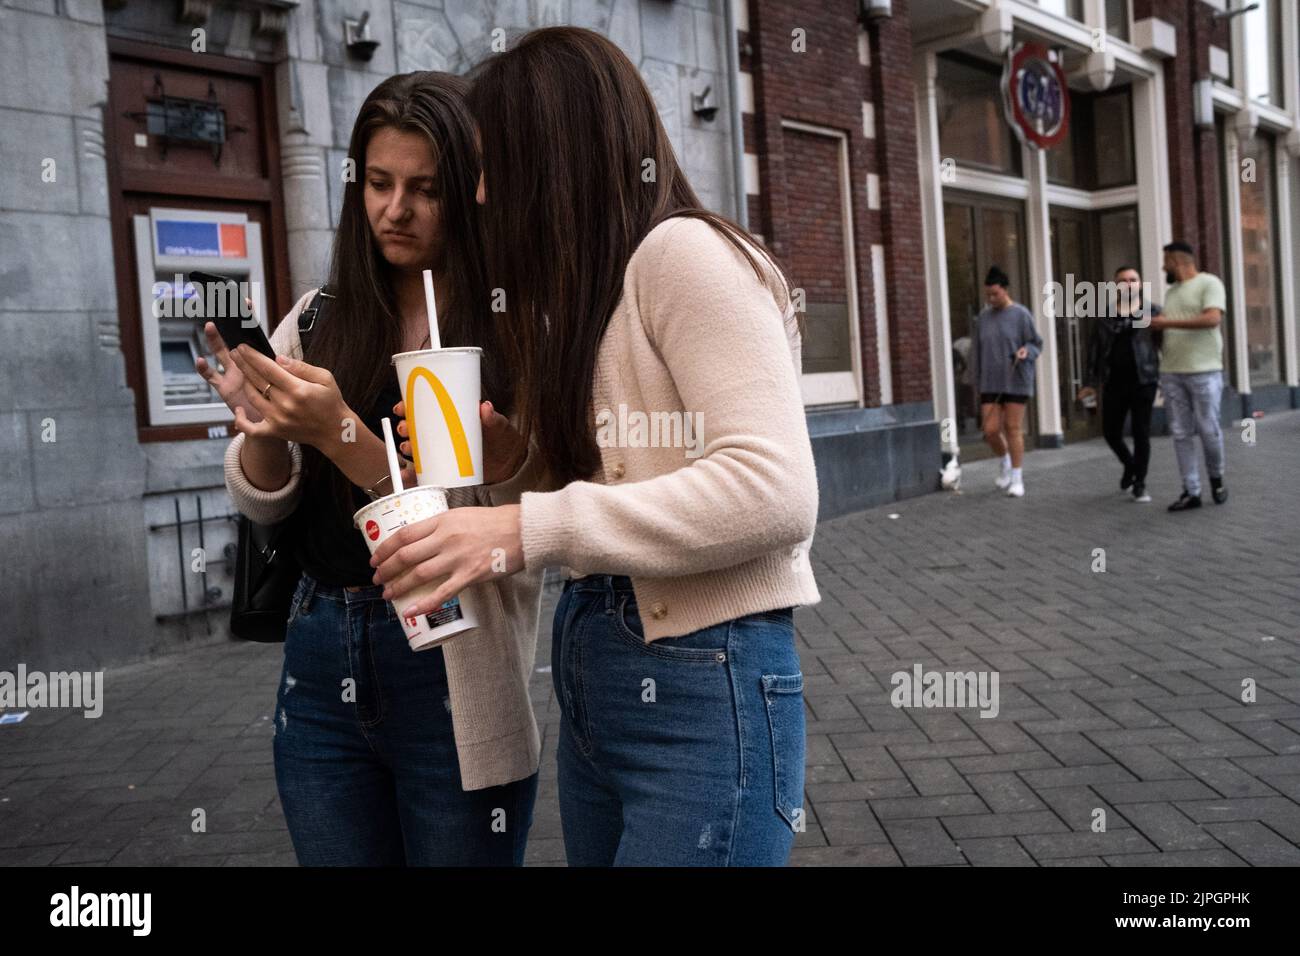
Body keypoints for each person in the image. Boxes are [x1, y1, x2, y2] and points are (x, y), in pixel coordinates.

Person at [371, 27, 820, 866]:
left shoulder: (684, 254)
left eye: (490, 162)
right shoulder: (596, 292)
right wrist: (512, 460)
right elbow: (628, 480)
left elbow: (775, 490)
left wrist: (515, 529)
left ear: (554, 156)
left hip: (701, 670)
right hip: (599, 663)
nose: (477, 193)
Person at [198, 73, 542, 865]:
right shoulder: (321, 313)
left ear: (467, 193)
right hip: (321, 646)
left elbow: (482, 513)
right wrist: (261, 424)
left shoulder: (511, 323)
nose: (396, 209)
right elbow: (265, 500)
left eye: (425, 189)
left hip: (451, 657)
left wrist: (342, 432)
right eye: (378, 184)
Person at [1150, 241, 1228, 511]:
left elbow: (1212, 319)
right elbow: (1167, 330)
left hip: (1204, 371)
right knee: (1181, 433)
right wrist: (1156, 332)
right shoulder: (1171, 292)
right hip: (1172, 372)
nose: (1163, 267)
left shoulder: (1210, 283)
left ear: (1177, 261)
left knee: (1208, 429)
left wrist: (1166, 322)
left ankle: (1216, 478)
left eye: (1166, 262)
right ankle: (1191, 491)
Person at [1079, 266, 1161, 503]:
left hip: (1144, 380)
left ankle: (1140, 483)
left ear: (1140, 284)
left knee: (1140, 432)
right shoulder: (1105, 317)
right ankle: (1131, 465)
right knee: (1111, 432)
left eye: (1132, 280)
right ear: (1115, 286)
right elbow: (1094, 351)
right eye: (1122, 281)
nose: (1128, 284)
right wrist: (1090, 382)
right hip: (1114, 381)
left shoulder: (1153, 312)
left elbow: (1165, 343)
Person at [971, 266, 1042, 498]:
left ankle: (1017, 478)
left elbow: (1036, 343)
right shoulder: (982, 318)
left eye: (995, 294)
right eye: (988, 295)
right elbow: (977, 350)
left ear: (1005, 290)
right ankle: (1005, 461)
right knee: (990, 431)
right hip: (990, 381)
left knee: (1012, 428)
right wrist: (976, 380)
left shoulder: (1021, 315)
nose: (991, 299)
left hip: (1016, 378)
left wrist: (1025, 352)